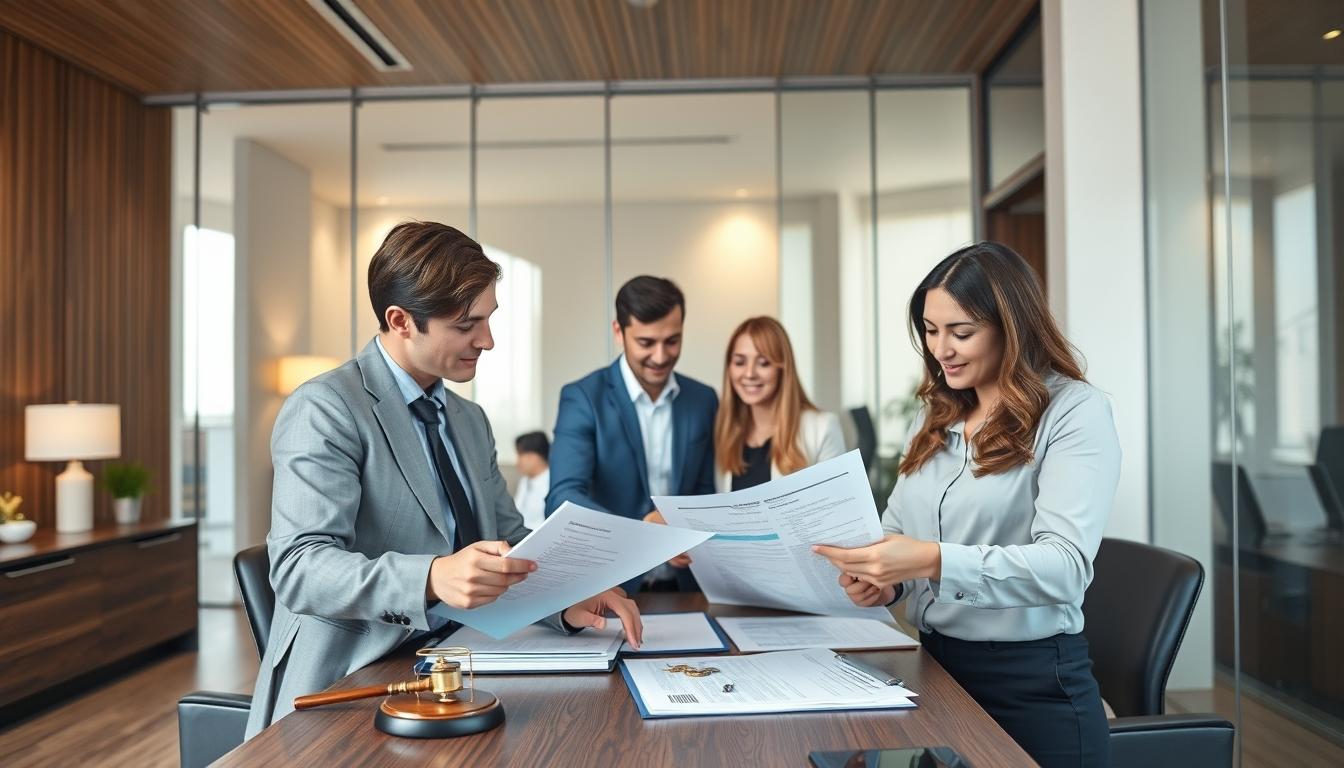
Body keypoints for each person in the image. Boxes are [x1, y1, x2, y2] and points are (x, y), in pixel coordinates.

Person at [245, 222, 640, 738]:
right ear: (400, 321)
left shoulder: (468, 420)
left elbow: (509, 540)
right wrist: (430, 578)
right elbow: (300, 568)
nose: (488, 340)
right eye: (466, 325)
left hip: (454, 669)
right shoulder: (326, 408)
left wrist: (566, 596)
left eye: (489, 319)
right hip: (348, 686)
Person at [814, 242, 1119, 767]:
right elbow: (896, 529)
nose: (941, 350)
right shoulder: (936, 413)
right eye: (931, 331)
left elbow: (1066, 567)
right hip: (934, 674)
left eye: (961, 333)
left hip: (1030, 690)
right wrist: (886, 583)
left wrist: (930, 560)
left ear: (1012, 328)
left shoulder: (1074, 411)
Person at [546, 275, 718, 592]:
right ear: (618, 332)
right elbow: (563, 498)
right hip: (612, 586)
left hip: (689, 586)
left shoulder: (703, 400)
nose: (661, 356)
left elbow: (706, 494)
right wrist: (642, 531)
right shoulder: (583, 398)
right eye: (646, 343)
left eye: (672, 341)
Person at [714, 316, 846, 492]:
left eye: (763, 363)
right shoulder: (722, 432)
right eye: (740, 362)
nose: (749, 373)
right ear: (729, 368)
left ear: (783, 368)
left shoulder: (822, 428)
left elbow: (838, 502)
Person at [512, 431, 550, 530]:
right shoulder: (525, 480)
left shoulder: (551, 484)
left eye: (520, 455)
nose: (517, 461)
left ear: (534, 456)